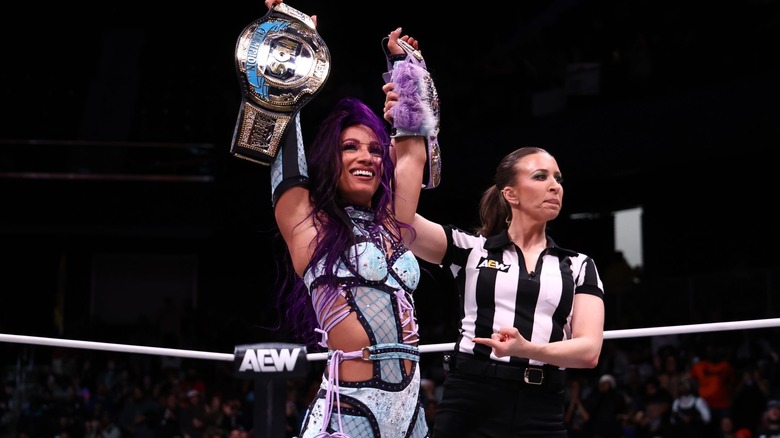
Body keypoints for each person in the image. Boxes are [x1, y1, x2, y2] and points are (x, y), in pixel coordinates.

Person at [381, 86, 605, 435]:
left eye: (558, 179)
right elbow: (400, 220)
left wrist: (526, 348)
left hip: (542, 403)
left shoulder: (578, 265)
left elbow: (589, 351)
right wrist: (407, 130)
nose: (555, 186)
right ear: (510, 194)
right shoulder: (470, 248)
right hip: (471, 395)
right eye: (541, 177)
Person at [255, 2, 430, 436]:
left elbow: (411, 152)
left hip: (410, 415)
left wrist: (405, 72)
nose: (367, 157)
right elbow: (284, 156)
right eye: (351, 147)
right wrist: (292, 47)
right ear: (330, 159)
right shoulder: (310, 227)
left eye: (374, 148)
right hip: (346, 414)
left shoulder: (393, 222)